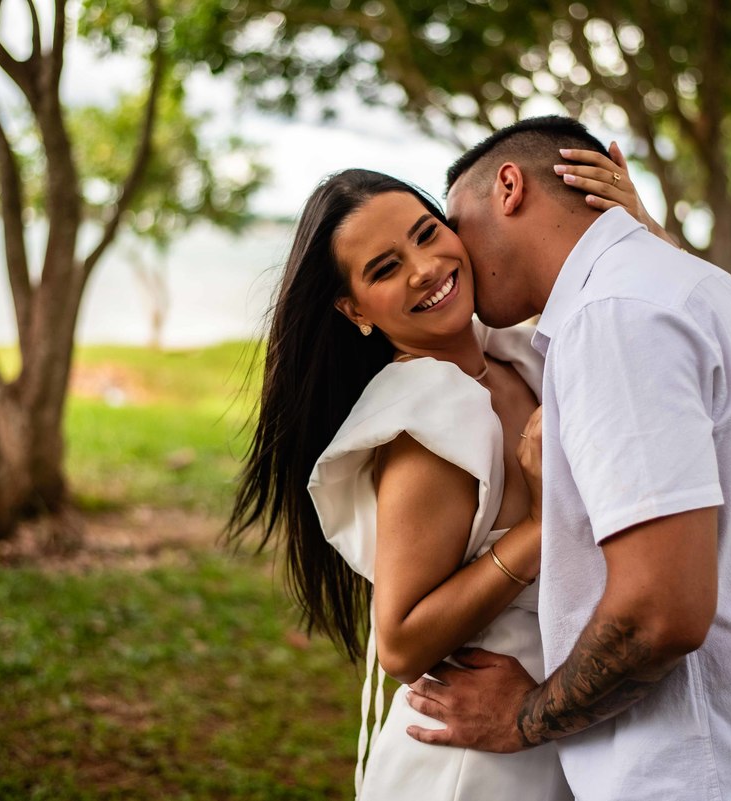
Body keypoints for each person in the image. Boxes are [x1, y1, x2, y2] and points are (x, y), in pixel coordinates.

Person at [402, 116, 731, 800]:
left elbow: (659, 612)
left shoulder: (614, 317)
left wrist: (522, 716)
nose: (453, 254)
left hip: (708, 776)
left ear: (508, 187)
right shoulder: (719, 295)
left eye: (453, 222)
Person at [228, 145, 676, 800]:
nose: (426, 267)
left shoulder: (520, 356)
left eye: (426, 233)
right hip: (470, 763)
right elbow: (402, 643)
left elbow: (683, 327)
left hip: (544, 728)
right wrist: (538, 528)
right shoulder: (428, 423)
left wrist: (636, 228)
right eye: (386, 268)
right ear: (355, 310)